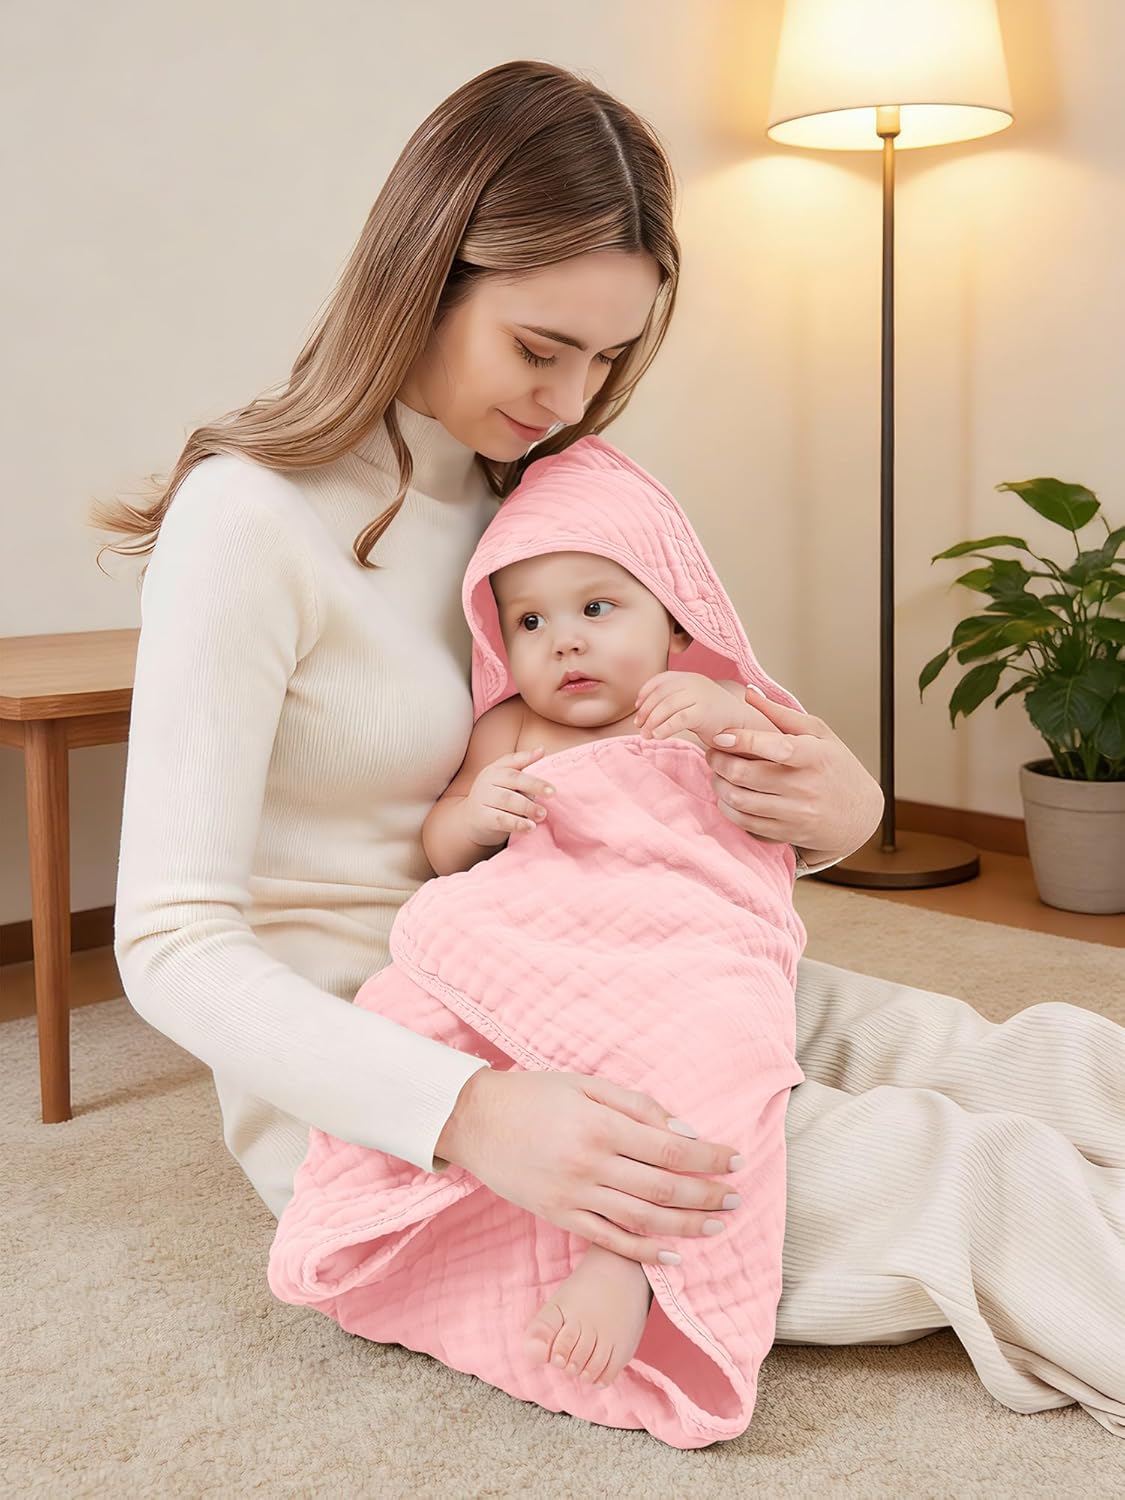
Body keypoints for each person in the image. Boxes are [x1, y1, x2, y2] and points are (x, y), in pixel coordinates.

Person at [100, 60, 1124, 1436]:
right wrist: (471, 1113)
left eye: (604, 359)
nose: (569, 396)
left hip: (612, 963)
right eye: (540, 348)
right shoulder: (249, 519)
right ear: (422, 276)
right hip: (407, 1070)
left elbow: (672, 769)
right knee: (975, 1178)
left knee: (1022, 1057)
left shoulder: (543, 502)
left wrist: (836, 809)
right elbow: (169, 943)